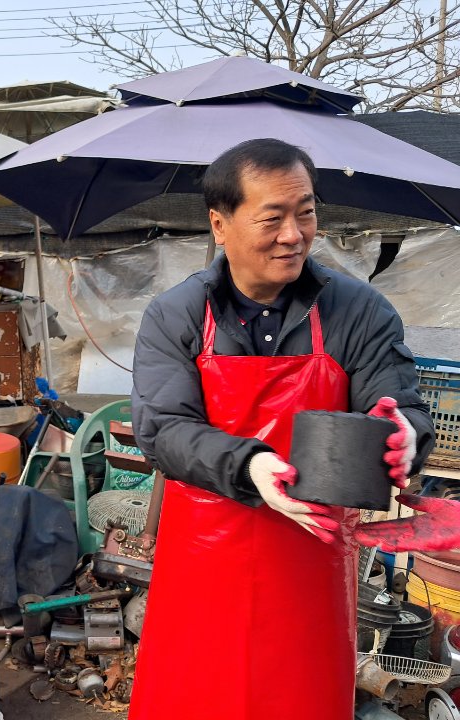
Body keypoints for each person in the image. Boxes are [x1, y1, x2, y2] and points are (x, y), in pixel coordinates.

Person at [128, 138, 435, 720]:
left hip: (312, 563)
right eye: (272, 218)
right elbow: (163, 427)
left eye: (307, 212)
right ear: (221, 225)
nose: (294, 234)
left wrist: (405, 436)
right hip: (203, 561)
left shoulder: (359, 311)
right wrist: (250, 465)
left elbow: (399, 406)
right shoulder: (177, 315)